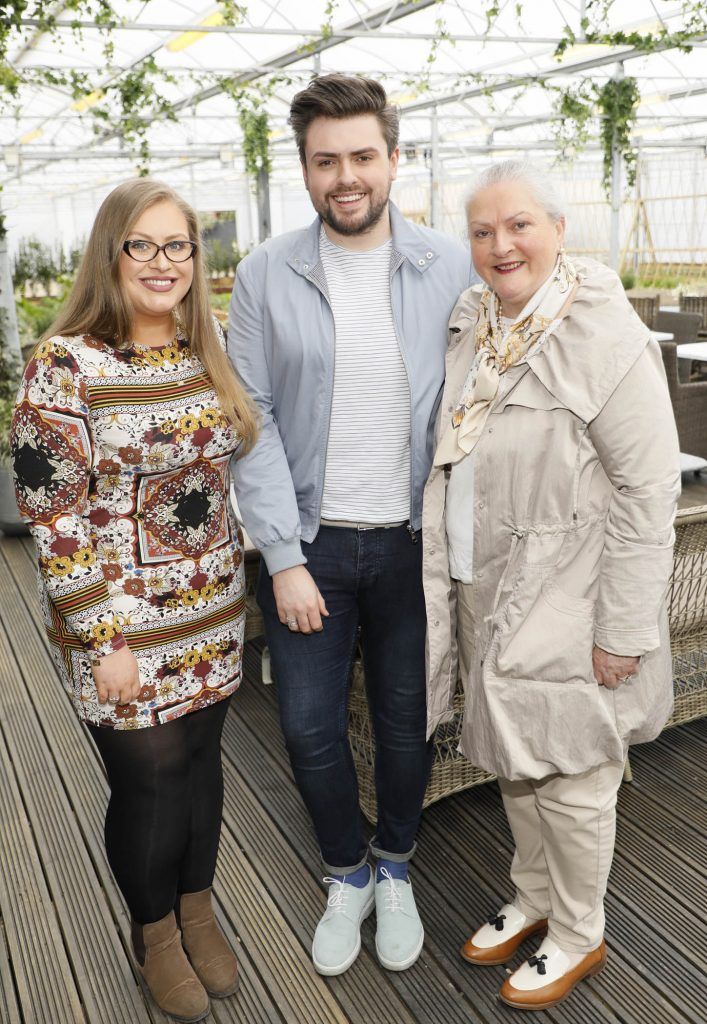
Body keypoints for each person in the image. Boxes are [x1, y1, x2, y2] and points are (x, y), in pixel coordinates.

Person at [229, 74, 474, 976]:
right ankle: (347, 871)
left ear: (393, 160)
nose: (345, 176)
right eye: (325, 160)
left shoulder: (449, 264)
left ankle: (397, 867)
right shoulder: (264, 273)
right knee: (307, 727)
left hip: (416, 545)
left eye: (361, 156)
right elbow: (248, 418)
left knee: (410, 723)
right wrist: (284, 558)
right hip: (313, 548)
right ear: (304, 169)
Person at [423, 158, 681, 1010]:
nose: (501, 245)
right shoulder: (476, 323)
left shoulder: (602, 335)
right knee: (514, 758)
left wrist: (622, 628)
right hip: (488, 587)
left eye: (520, 224)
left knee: (571, 775)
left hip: (569, 598)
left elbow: (649, 490)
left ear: (559, 229)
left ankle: (578, 928)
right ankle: (534, 894)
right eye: (483, 231)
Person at [11, 179, 259, 1023]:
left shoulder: (202, 345)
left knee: (201, 767)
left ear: (197, 256)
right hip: (119, 627)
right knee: (150, 783)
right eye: (142, 246)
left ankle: (199, 908)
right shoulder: (65, 364)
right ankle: (152, 933)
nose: (163, 263)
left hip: (213, 609)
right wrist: (102, 634)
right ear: (110, 253)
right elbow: (53, 513)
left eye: (178, 246)